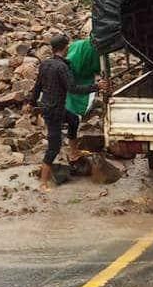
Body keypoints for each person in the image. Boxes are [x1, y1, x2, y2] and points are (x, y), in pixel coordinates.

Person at [26, 34, 106, 192]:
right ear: (65, 48)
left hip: (51, 107)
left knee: (74, 120)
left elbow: (37, 86)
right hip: (54, 112)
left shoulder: (45, 64)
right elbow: (73, 88)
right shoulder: (62, 67)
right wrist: (97, 87)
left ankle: (74, 152)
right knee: (53, 147)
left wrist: (31, 102)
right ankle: (43, 183)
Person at [65, 36, 103, 160]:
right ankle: (72, 152)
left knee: (70, 120)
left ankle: (72, 150)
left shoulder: (61, 65)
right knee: (73, 121)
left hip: (56, 100)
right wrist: (96, 87)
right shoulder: (92, 52)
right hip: (71, 90)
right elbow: (74, 88)